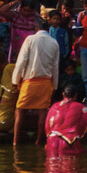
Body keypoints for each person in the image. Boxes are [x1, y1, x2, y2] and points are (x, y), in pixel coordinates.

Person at [10, 15, 62, 144]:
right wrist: (55, 86)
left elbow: (21, 62)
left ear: (36, 28)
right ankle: (39, 140)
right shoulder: (54, 42)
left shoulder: (30, 39)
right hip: (46, 82)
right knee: (42, 112)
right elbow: (55, 67)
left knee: (20, 111)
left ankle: (15, 141)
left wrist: (15, 81)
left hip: (30, 81)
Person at [44, 79, 87, 154]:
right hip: (70, 142)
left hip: (51, 142)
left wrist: (47, 142)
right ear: (76, 95)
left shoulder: (54, 107)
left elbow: (47, 126)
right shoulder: (82, 108)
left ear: (63, 94)